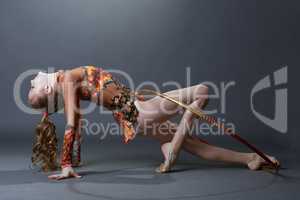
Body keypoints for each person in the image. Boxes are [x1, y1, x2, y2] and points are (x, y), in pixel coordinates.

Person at [28, 66, 279, 180]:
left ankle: (249, 159)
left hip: (136, 115)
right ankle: (172, 153)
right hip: (139, 113)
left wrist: (75, 158)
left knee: (198, 146)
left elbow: (78, 123)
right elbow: (72, 123)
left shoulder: (69, 81)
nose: (33, 82)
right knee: (202, 91)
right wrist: (66, 164)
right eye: (34, 86)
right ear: (48, 88)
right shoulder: (69, 80)